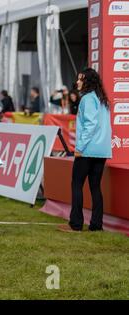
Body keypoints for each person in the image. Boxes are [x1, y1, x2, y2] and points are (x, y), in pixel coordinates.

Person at [58, 68, 112, 233]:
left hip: (87, 149)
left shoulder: (88, 99)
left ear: (88, 81)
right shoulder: (102, 99)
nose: (77, 82)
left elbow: (90, 125)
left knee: (77, 185)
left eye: (81, 79)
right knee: (95, 187)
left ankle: (75, 224)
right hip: (101, 150)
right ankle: (96, 225)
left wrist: (79, 147)